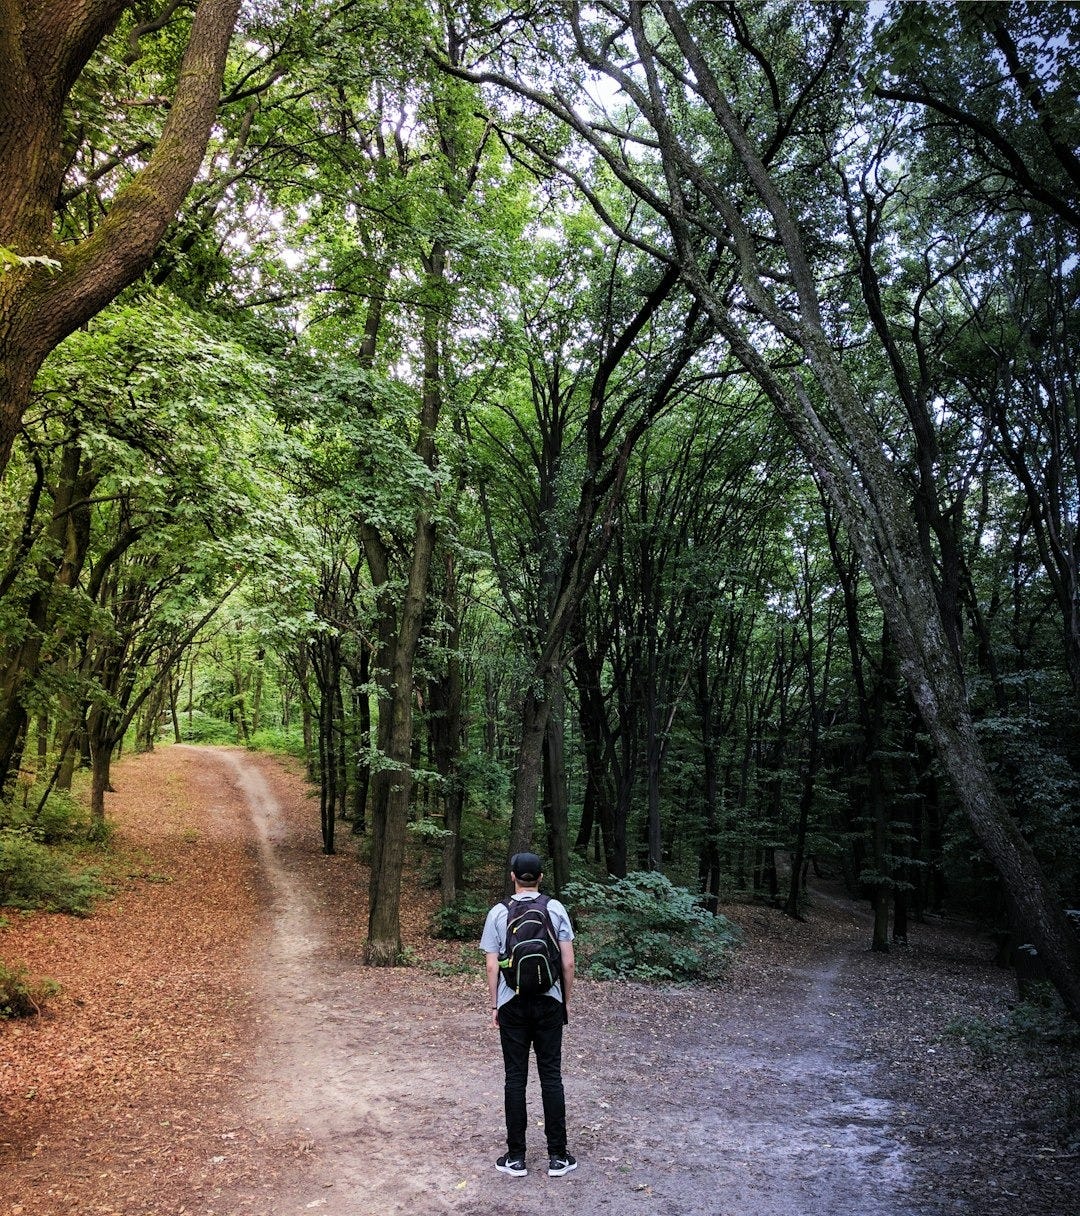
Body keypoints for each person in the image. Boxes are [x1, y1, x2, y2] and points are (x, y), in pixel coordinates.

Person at [480, 851, 577, 1178]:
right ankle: (558, 1157)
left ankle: (516, 1157)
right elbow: (568, 962)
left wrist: (495, 1004)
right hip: (549, 1001)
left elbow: (492, 964)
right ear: (540, 877)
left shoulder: (497, 912)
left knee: (515, 1077)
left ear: (512, 877)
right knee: (551, 1075)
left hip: (512, 1003)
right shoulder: (555, 908)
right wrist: (565, 1000)